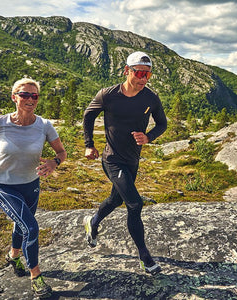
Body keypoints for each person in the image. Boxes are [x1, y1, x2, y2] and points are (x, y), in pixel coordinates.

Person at [0, 78, 66, 299]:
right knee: (31, 227)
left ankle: (13, 256)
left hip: (31, 185)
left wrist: (54, 163)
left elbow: (61, 153)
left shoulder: (44, 125)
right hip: (4, 186)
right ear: (14, 97)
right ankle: (36, 277)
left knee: (21, 225)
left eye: (35, 96)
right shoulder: (0, 122)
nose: (30, 99)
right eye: (24, 95)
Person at [82, 51, 167, 275]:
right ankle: (144, 256)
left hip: (132, 160)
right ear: (126, 71)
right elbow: (88, 116)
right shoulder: (108, 95)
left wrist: (149, 137)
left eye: (147, 74)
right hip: (112, 159)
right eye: (139, 73)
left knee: (115, 198)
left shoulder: (150, 98)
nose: (143, 79)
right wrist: (89, 144)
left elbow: (162, 124)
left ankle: (93, 221)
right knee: (135, 204)